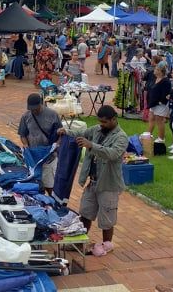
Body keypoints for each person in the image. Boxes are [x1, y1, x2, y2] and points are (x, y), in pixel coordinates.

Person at [59, 105, 128, 257]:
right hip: (93, 181)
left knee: (107, 219)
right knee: (85, 213)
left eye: (104, 122)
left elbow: (112, 154)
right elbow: (82, 132)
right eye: (100, 122)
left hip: (109, 184)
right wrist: (67, 131)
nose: (101, 125)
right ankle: (78, 242)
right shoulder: (97, 129)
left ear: (113, 120)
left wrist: (91, 145)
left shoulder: (121, 137)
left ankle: (106, 245)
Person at [18, 93, 62, 194]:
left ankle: (53, 202)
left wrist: (56, 144)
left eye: (36, 108)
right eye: (31, 109)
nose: (33, 111)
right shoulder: (26, 116)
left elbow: (61, 134)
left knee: (50, 184)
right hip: (33, 157)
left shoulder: (53, 115)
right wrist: (25, 145)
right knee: (36, 184)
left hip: (49, 156)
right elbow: (23, 135)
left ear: (41, 104)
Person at [147, 64, 172, 144]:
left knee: (159, 120)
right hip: (153, 103)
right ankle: (148, 134)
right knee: (151, 118)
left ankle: (161, 138)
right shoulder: (155, 78)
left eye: (156, 69)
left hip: (160, 104)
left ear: (161, 72)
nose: (154, 71)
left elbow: (166, 93)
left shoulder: (166, 81)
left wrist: (160, 101)